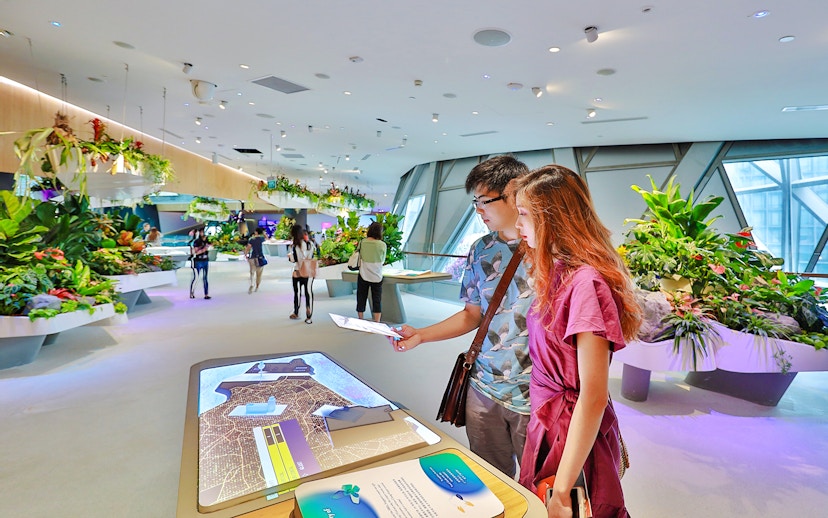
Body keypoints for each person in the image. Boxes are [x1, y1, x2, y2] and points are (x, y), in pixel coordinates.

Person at [512, 165, 641, 518]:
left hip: (570, 430)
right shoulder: (557, 271)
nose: (519, 225)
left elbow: (594, 395)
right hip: (548, 419)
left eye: (525, 214)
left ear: (554, 218)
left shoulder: (584, 282)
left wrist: (564, 489)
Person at [392, 155, 533, 478]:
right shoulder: (481, 249)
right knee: (492, 479)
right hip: (483, 387)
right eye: (475, 202)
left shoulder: (552, 250)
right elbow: (472, 314)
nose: (479, 210)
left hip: (535, 396)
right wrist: (421, 335)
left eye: (485, 201)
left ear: (513, 193)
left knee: (540, 486)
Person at [355, 221, 387, 322]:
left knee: (361, 297)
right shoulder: (382, 245)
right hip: (376, 275)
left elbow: (358, 254)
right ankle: (376, 322)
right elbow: (383, 260)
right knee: (377, 299)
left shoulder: (362, 242)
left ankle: (361, 319)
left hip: (363, 274)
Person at [287, 223, 315, 324]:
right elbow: (312, 256)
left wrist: (289, 257)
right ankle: (309, 315)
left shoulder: (294, 245)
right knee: (308, 293)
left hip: (297, 271)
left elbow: (293, 259)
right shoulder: (309, 244)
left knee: (297, 293)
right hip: (308, 271)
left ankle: (296, 312)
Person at [189, 227, 211, 300]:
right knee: (196, 277)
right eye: (202, 232)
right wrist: (204, 249)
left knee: (205, 278)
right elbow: (195, 252)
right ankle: (192, 293)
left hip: (205, 260)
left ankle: (206, 294)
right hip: (197, 261)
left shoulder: (207, 241)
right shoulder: (196, 242)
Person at [245, 227, 266, 294]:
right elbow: (267, 238)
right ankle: (257, 287)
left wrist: (246, 254)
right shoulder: (262, 239)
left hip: (252, 257)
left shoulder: (252, 239)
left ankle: (251, 283)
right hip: (260, 257)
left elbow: (248, 248)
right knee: (259, 274)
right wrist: (264, 233)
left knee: (252, 272)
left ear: (256, 232)